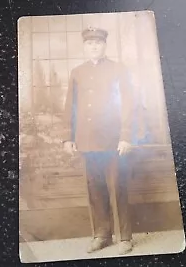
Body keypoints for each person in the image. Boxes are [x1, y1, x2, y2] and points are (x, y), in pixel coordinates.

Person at [62, 27, 135, 255]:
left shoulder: (118, 70)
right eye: (90, 43)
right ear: (85, 47)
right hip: (87, 141)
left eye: (98, 43)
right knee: (95, 190)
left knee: (117, 188)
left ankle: (124, 237)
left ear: (105, 46)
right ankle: (102, 235)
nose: (94, 47)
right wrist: (68, 137)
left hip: (113, 141)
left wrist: (126, 136)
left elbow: (128, 105)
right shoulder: (77, 72)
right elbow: (70, 107)